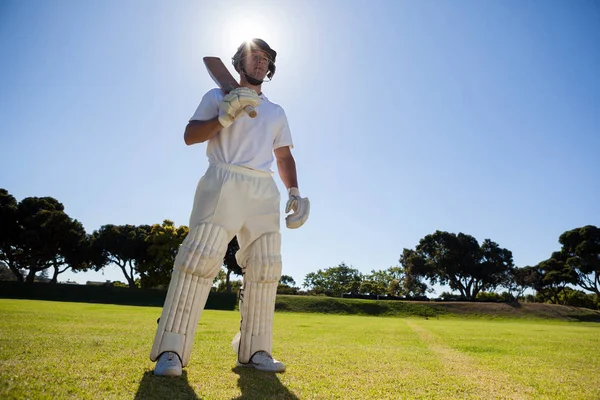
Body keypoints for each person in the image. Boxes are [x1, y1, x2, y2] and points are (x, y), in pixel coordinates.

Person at [149, 38, 310, 376]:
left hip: (263, 188)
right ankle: (171, 352)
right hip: (223, 179)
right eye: (254, 56)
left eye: (266, 58)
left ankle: (256, 350)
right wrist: (223, 118)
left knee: (266, 269)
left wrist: (294, 190)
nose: (260, 62)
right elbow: (191, 135)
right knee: (198, 260)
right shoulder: (217, 96)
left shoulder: (276, 111)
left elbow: (283, 155)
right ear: (240, 63)